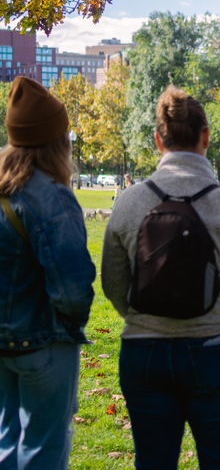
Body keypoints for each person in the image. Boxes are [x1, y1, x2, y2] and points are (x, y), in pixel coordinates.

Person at [101, 85, 220, 469]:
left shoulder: (130, 201)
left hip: (144, 351)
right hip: (219, 348)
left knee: (154, 461)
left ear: (157, 139)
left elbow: (112, 281)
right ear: (206, 137)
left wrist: (141, 317)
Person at [0, 77, 96, 469]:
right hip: (44, 342)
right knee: (43, 452)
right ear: (58, 141)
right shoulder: (53, 197)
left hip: (3, 342)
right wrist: (70, 325)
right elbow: (74, 289)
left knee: (7, 445)